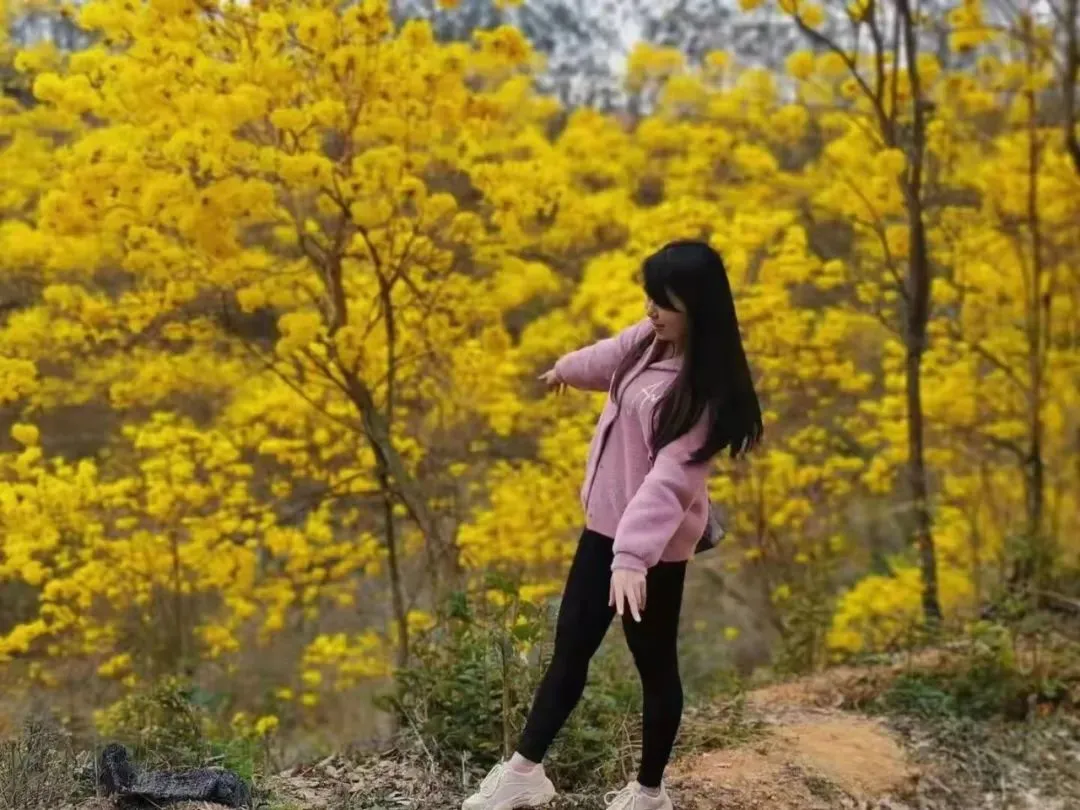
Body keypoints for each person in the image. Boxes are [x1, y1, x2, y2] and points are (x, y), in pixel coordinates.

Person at [463, 240, 763, 810]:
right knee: (571, 648)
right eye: (649, 298)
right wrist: (566, 371)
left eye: (663, 302)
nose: (651, 310)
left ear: (696, 308)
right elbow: (608, 357)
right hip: (604, 527)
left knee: (654, 664)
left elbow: (671, 480)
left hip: (652, 549)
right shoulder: (649, 341)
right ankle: (525, 771)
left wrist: (632, 559)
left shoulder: (702, 395)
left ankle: (649, 792)